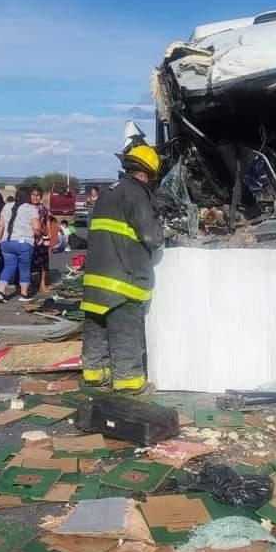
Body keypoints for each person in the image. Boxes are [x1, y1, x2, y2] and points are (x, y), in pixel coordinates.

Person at [81, 144, 164, 394]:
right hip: (122, 280)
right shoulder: (137, 193)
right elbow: (152, 238)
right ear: (145, 174)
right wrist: (163, 231)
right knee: (125, 329)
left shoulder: (108, 192)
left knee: (96, 328)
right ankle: (129, 381)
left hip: (96, 278)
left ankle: (94, 374)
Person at [0, 185, 42, 303]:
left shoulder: (7, 206)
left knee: (8, 267)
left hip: (6, 242)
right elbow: (37, 228)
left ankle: (1, 292)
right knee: (24, 268)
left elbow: (0, 225)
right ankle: (24, 294)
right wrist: (39, 236)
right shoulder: (31, 209)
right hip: (24, 243)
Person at [28, 185, 53, 294]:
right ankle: (27, 284)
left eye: (38, 195)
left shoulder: (43, 208)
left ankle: (42, 284)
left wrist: (49, 233)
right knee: (28, 262)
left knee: (43, 262)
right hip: (30, 237)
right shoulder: (27, 207)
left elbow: (47, 220)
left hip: (43, 238)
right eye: (33, 195)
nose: (35, 197)